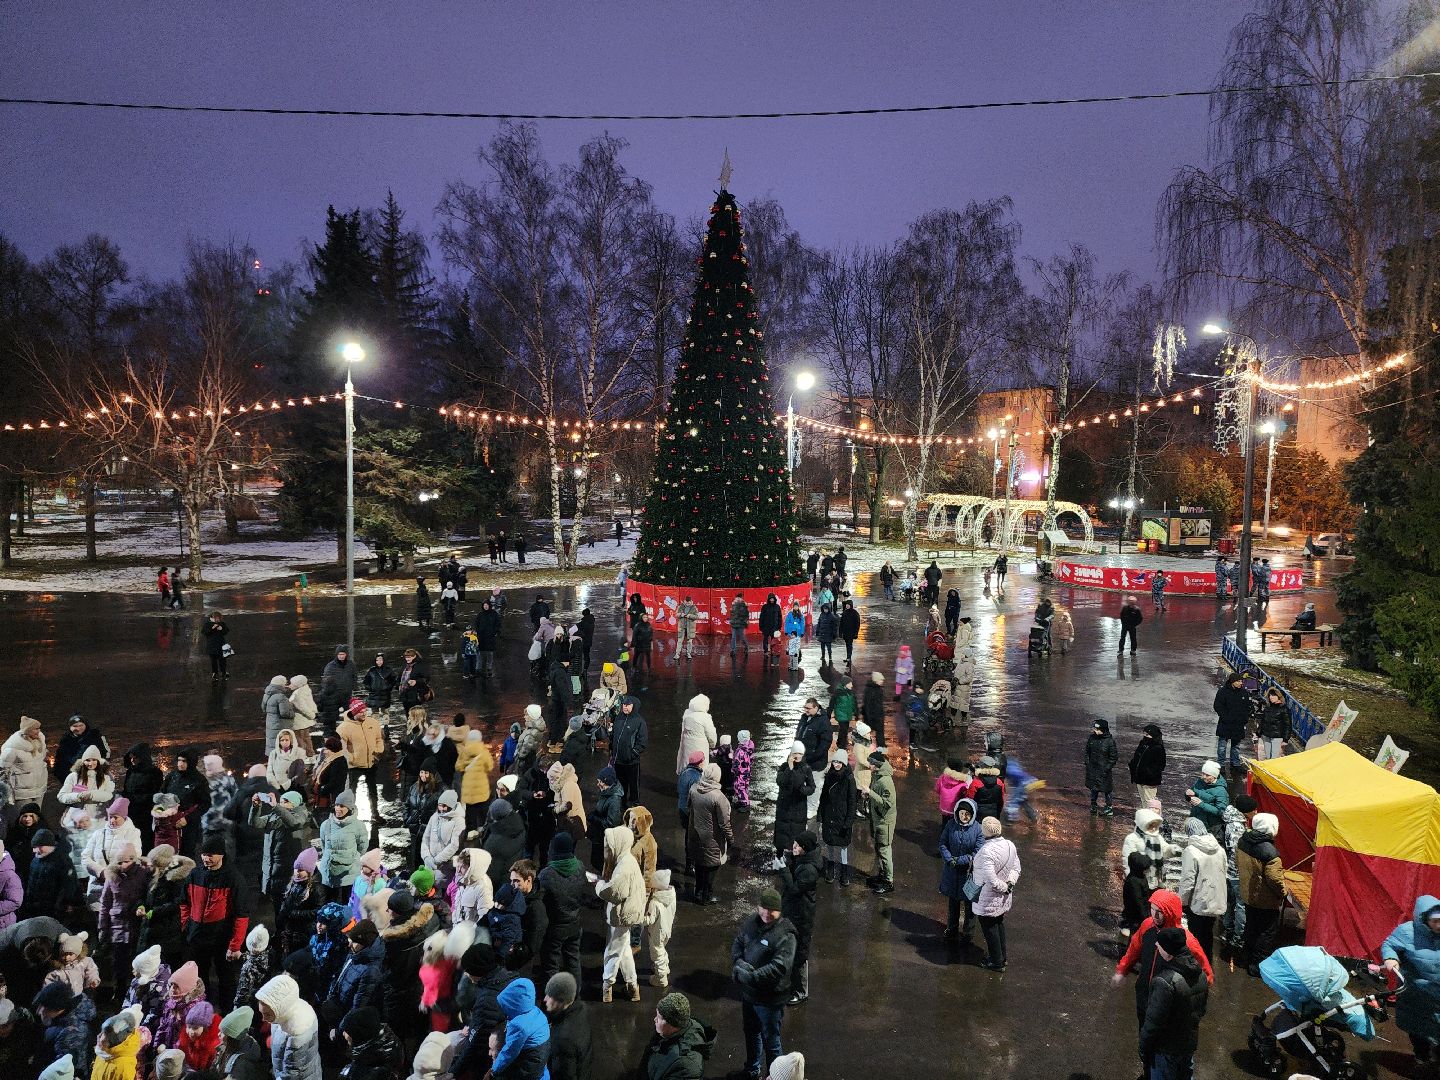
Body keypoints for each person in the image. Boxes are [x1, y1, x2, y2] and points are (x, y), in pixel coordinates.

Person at [1113, 890, 1215, 1078]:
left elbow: (1205, 971)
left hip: (1167, 1004)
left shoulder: (1186, 940)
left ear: (1170, 912)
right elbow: (1134, 948)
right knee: (1146, 1036)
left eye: (1159, 912)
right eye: (1152, 910)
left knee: (1161, 1045)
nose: (1154, 915)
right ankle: (1148, 1072)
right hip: (1145, 997)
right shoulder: (1146, 927)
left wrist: (1191, 1001)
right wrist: (1122, 969)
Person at [731, 888, 796, 1080]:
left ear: (779, 911)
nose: (767, 913)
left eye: (772, 910)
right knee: (751, 1034)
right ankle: (752, 1070)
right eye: (763, 908)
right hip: (749, 995)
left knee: (771, 1041)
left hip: (770, 1000)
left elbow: (779, 967)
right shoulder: (751, 922)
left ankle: (774, 1076)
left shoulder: (786, 934)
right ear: (758, 907)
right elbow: (738, 943)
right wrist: (738, 963)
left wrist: (751, 976)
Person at [182, 837, 250, 1008]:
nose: (206, 858)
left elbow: (241, 915)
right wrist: (187, 925)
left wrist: (235, 946)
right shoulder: (194, 874)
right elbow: (184, 902)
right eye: (204, 854)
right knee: (199, 978)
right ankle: (202, 1009)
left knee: (226, 979)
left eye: (210, 855)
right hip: (197, 937)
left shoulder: (234, 878)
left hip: (222, 939)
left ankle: (227, 1013)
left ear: (221, 855)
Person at [1138, 926, 1209, 1080]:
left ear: (1168, 953)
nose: (1156, 946)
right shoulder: (1201, 975)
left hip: (1166, 1050)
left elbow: (1153, 1023)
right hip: (1188, 1045)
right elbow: (1201, 1010)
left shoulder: (1165, 982)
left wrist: (1143, 1048)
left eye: (1160, 945)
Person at [1382, 896, 1440, 1065]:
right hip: (1417, 993)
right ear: (1423, 919)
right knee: (1418, 1027)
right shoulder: (1407, 932)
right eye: (1434, 921)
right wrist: (1391, 958)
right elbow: (1390, 944)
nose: (1439, 925)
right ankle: (1421, 1056)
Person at [595, 825, 645, 1003]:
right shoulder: (627, 861)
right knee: (623, 950)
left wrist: (599, 885)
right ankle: (633, 986)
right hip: (626, 915)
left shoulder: (623, 867)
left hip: (621, 916)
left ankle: (607, 986)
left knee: (613, 950)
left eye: (609, 845)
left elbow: (614, 892)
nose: (607, 848)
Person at [1237, 812, 1284, 974]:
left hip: (1248, 894)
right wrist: (1283, 892)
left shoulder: (1243, 840)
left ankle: (1245, 958)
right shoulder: (1270, 852)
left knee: (1250, 927)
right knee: (1266, 932)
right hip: (1265, 900)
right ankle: (1257, 967)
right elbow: (1274, 879)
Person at [971, 816, 1020, 972]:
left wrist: (1003, 887)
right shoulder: (1010, 845)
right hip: (1003, 897)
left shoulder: (986, 851)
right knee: (998, 923)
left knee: (989, 927)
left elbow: (990, 879)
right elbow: (1016, 867)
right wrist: (1010, 884)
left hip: (988, 897)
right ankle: (1002, 957)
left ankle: (996, 961)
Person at [777, 832, 821, 1005]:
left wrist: (783, 870)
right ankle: (790, 985)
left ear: (805, 849)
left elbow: (795, 889)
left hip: (801, 916)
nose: (793, 848)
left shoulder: (809, 870)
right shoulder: (803, 861)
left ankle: (801, 992)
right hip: (793, 912)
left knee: (799, 956)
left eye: (797, 846)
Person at [1177, 818, 1227, 961]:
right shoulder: (1220, 849)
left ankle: (1196, 967)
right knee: (1208, 934)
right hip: (1215, 900)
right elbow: (1224, 871)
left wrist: (1182, 902)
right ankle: (1207, 965)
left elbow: (1188, 880)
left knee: (1195, 937)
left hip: (1198, 901)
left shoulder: (1191, 851)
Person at [255, 973, 322, 1080]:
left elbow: (293, 1073)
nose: (263, 1019)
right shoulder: (283, 1012)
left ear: (281, 1008)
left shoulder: (298, 1032)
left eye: (267, 1014)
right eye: (262, 1013)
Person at [640, 992, 714, 1080]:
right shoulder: (676, 1028)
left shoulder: (687, 1066)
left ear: (671, 1024)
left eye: (659, 1018)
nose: (655, 1019)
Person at [938, 797, 982, 947]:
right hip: (952, 872)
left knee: (970, 906)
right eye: (962, 813)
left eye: (968, 814)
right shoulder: (951, 825)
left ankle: (968, 934)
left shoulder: (978, 829)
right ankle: (952, 928)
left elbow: (978, 852)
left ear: (973, 814)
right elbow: (943, 843)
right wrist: (949, 858)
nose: (964, 817)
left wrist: (960, 860)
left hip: (970, 874)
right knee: (953, 902)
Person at [686, 764, 732, 906]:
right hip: (712, 839)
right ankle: (707, 896)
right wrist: (731, 838)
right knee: (711, 868)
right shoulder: (719, 797)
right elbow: (724, 823)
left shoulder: (694, 788)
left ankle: (698, 893)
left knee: (699, 864)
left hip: (695, 834)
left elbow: (689, 807)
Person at [542, 972, 592, 1080]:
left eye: (550, 995)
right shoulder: (582, 1009)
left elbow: (564, 1075)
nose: (545, 999)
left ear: (561, 1000)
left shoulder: (564, 1040)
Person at [818, 750, 857, 887]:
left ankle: (844, 872)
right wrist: (820, 815)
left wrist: (848, 821)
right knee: (829, 843)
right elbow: (823, 797)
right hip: (829, 815)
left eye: (839, 762)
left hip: (842, 816)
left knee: (843, 846)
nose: (837, 764)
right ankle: (830, 869)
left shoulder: (849, 778)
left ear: (844, 763)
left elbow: (852, 801)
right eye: (835, 761)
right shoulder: (829, 776)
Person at [772, 745, 813, 869]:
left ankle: (795, 862)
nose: (797, 756)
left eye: (800, 753)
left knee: (796, 835)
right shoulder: (784, 767)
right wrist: (789, 768)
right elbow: (780, 781)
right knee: (781, 833)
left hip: (798, 807)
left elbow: (812, 787)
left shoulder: (806, 768)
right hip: (784, 806)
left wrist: (802, 790)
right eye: (795, 753)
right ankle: (778, 858)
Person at [794, 700, 831, 821]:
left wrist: (813, 756)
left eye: (808, 708)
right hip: (803, 759)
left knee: (814, 785)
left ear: (816, 708)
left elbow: (825, 743)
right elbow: (799, 734)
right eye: (805, 708)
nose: (806, 710)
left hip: (816, 762)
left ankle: (812, 809)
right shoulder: (804, 717)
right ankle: (805, 805)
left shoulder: (823, 721)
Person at [866, 749, 896, 895]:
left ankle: (889, 881)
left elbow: (887, 803)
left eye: (870, 763)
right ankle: (882, 875)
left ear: (876, 765)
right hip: (877, 819)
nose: (869, 765)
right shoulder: (877, 775)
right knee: (879, 849)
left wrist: (869, 793)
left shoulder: (885, 781)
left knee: (884, 851)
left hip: (884, 822)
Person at [611, 697, 648, 810]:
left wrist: (632, 754)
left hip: (631, 762)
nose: (625, 707)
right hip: (618, 760)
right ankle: (621, 803)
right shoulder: (618, 718)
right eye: (624, 705)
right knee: (620, 784)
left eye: (628, 705)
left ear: (634, 706)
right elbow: (614, 735)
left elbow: (642, 741)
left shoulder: (639, 721)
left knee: (633, 785)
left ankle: (635, 804)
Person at [1211, 673, 1250, 775]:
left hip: (1238, 724)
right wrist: (1226, 717)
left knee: (1236, 746)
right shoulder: (1223, 692)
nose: (1241, 683)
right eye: (1239, 681)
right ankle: (1221, 764)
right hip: (1226, 723)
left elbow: (1248, 707)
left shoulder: (1244, 693)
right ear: (1233, 682)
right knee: (1222, 745)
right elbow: (1218, 706)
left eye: (1241, 681)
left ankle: (1235, 764)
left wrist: (1244, 718)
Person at [1185, 761, 1230, 836]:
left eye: (1208, 775)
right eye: (1203, 773)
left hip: (1211, 827)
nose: (1204, 777)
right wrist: (1188, 795)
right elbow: (1192, 794)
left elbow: (1221, 811)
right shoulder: (1200, 781)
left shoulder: (1221, 791)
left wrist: (1201, 804)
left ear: (1214, 776)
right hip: (1196, 820)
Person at [1085, 719, 1119, 817]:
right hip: (1092, 769)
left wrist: (1106, 768)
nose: (1094, 730)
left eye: (1097, 729)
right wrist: (1088, 763)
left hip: (1104, 771)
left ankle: (1109, 808)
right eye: (1094, 728)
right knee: (1093, 788)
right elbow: (1087, 752)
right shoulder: (1092, 738)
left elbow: (1113, 757)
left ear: (1103, 729)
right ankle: (1093, 804)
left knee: (1107, 789)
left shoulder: (1109, 741)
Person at [1128, 724, 1166, 808]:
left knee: (1150, 801)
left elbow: (1161, 765)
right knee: (1143, 800)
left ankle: (1152, 819)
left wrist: (1149, 773)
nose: (1145, 736)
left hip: (1149, 781)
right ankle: (1146, 818)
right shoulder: (1142, 744)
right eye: (1144, 734)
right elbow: (1136, 758)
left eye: (1147, 735)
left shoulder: (1158, 748)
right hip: (1139, 778)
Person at [1256, 687, 1290, 760]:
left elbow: (1288, 725)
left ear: (1279, 697)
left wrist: (1285, 739)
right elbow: (1263, 721)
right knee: (1268, 757)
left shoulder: (1284, 709)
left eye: (1273, 695)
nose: (1271, 697)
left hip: (1277, 737)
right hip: (1266, 735)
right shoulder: (1268, 708)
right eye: (1270, 695)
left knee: (1275, 758)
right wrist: (1259, 732)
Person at [203, 612, 231, 680]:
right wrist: (212, 628)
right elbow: (205, 632)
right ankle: (215, 673)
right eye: (217, 618)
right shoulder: (207, 624)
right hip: (212, 645)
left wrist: (221, 629)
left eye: (219, 618)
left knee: (223, 659)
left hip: (221, 644)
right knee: (213, 660)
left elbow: (226, 631)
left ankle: (223, 672)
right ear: (213, 618)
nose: (218, 620)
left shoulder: (221, 624)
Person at [675, 596, 700, 660]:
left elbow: (697, 616)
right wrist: (681, 614)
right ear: (685, 601)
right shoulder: (681, 606)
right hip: (682, 627)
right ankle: (677, 654)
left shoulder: (694, 607)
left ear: (691, 601)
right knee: (679, 641)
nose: (687, 603)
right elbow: (676, 614)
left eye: (689, 602)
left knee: (689, 641)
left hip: (690, 627)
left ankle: (688, 653)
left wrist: (690, 616)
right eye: (686, 602)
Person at [838, 600, 860, 667]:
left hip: (851, 632)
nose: (847, 606)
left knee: (849, 645)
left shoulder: (855, 613)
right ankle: (848, 657)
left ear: (851, 605)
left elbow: (857, 623)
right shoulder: (844, 612)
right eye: (846, 605)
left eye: (848, 605)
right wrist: (840, 632)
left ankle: (849, 657)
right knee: (847, 644)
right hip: (845, 632)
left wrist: (856, 633)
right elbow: (841, 623)